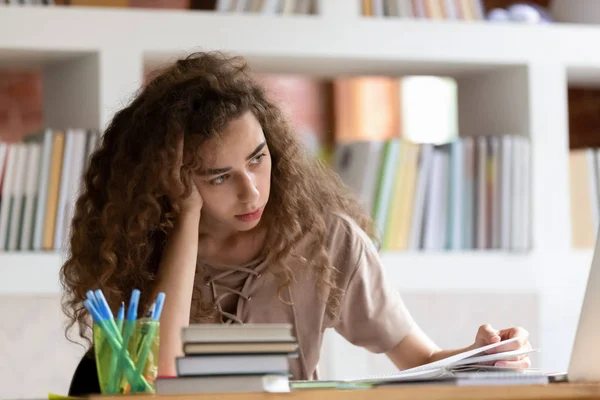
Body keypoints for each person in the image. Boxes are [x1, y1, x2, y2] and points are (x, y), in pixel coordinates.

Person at [60, 51, 532, 382]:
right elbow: (158, 373)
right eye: (218, 176)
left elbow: (419, 357)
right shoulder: (141, 248)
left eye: (258, 158)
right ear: (169, 180)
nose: (251, 191)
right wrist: (186, 216)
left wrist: (480, 357)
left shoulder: (327, 240)